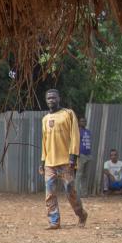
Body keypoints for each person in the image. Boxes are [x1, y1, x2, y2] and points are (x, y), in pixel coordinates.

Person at [38, 89, 87, 230]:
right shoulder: (45, 119)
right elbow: (44, 141)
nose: (51, 100)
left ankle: (81, 214)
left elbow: (75, 136)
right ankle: (54, 221)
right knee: (50, 194)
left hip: (66, 162)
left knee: (70, 191)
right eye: (48, 98)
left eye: (53, 97)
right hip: (49, 163)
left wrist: (73, 156)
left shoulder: (68, 114)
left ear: (59, 98)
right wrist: (42, 161)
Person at [75, 116, 93, 194]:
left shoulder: (88, 131)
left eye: (85, 121)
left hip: (88, 155)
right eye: (82, 121)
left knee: (86, 175)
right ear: (79, 123)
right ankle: (77, 192)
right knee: (79, 174)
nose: (84, 123)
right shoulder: (77, 131)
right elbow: (75, 143)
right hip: (81, 155)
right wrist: (77, 153)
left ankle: (84, 193)